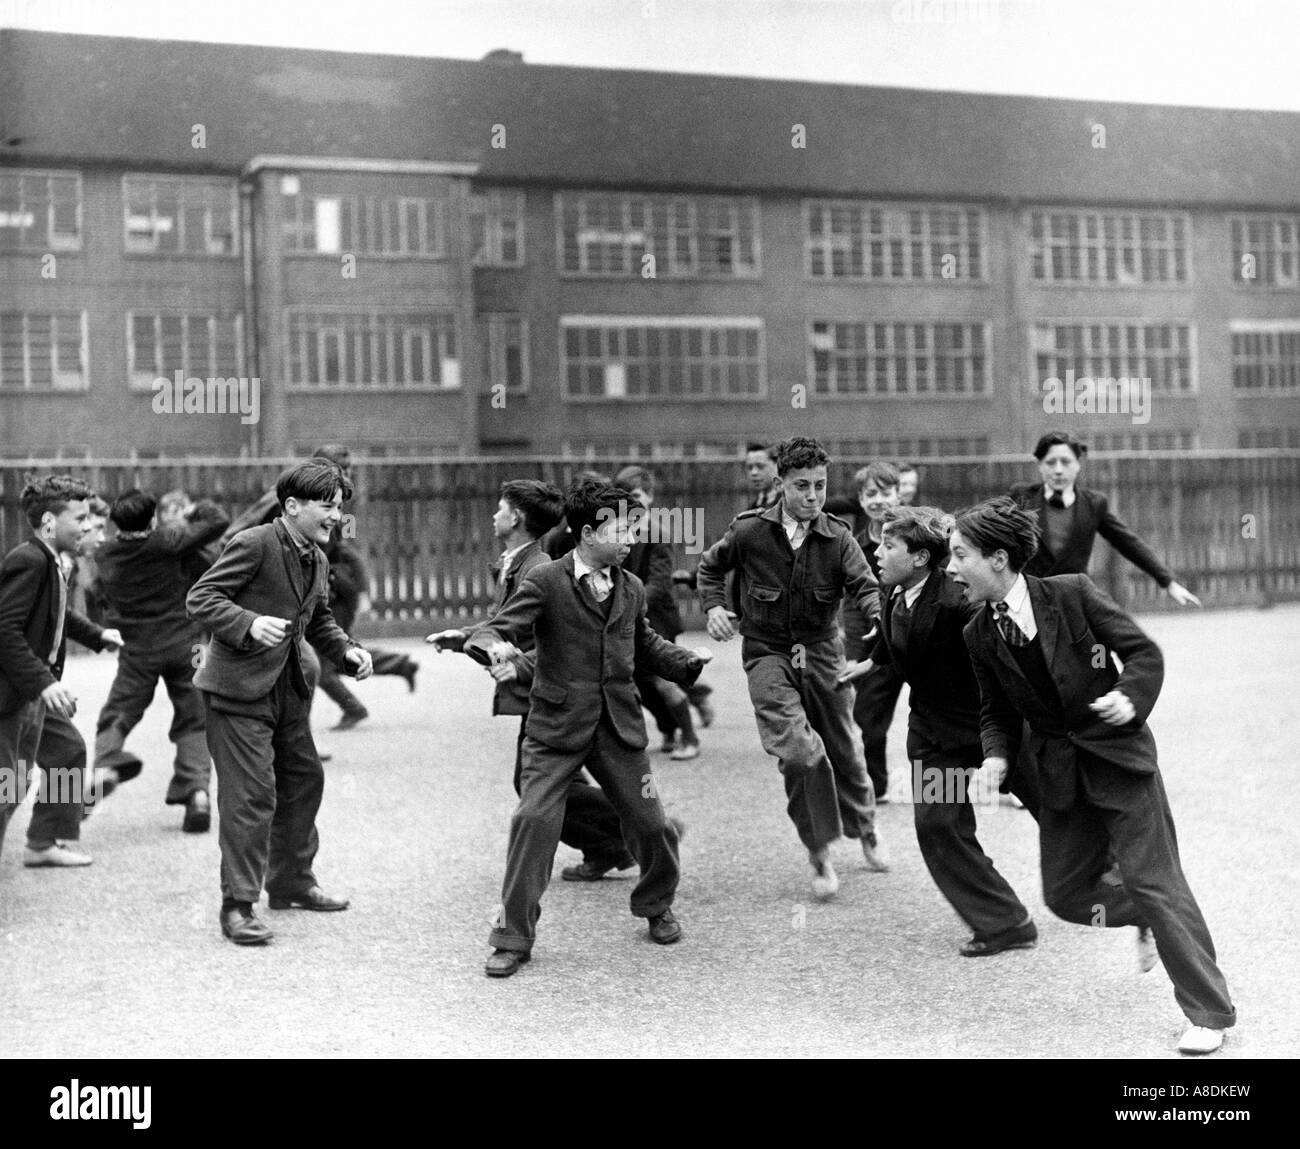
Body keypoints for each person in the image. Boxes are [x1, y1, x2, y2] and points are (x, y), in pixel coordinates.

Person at [948, 496, 1235, 1055]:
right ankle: (1150, 913)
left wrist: (1129, 699)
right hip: (1057, 773)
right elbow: (996, 713)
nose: (952, 568)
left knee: (1156, 881)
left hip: (1119, 761)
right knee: (1067, 895)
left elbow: (1143, 654)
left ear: (999, 559)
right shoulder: (977, 633)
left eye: (960, 556)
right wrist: (995, 757)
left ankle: (1209, 1013)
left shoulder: (1071, 593)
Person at [464, 478, 711, 978]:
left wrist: (687, 661)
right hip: (554, 727)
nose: (631, 538)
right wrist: (490, 648)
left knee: (652, 824)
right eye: (624, 529)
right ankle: (512, 938)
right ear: (589, 532)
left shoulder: (632, 587)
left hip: (617, 726)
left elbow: (644, 644)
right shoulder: (546, 581)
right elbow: (498, 628)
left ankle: (656, 905)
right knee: (532, 822)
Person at [186, 459, 373, 946]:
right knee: (251, 796)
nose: (336, 516)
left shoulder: (317, 556)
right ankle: (238, 906)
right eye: (326, 506)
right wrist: (247, 622)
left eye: (338, 507)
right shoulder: (253, 543)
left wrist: (347, 652)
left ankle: (290, 882)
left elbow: (319, 620)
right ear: (292, 506)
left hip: (286, 691)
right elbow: (202, 598)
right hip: (236, 692)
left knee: (303, 781)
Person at [837, 506, 1036, 956]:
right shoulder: (895, 589)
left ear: (921, 558)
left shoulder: (959, 601)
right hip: (932, 732)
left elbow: (1006, 652)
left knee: (1059, 808)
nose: (877, 551)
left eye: (889, 545)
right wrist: (871, 663)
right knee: (938, 825)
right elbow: (897, 639)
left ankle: (1118, 886)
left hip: (992, 727)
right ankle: (1004, 922)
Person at [696, 436, 888, 901]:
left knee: (843, 748)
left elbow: (865, 585)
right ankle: (819, 849)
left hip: (822, 651)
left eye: (820, 486)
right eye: (802, 486)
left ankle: (864, 828)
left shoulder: (838, 536)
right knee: (800, 754)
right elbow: (708, 568)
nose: (812, 496)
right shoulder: (748, 532)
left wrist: (880, 617)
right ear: (781, 484)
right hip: (768, 653)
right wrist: (715, 608)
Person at [427, 478, 639, 883]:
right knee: (552, 778)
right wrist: (465, 638)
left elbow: (569, 639)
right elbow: (507, 622)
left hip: (552, 689)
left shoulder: (538, 568)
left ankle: (638, 825)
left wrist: (513, 660)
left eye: (500, 508)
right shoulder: (517, 563)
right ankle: (610, 845)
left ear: (516, 518)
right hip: (544, 688)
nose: (494, 515)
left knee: (537, 783)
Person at [88, 489, 231, 831]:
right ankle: (197, 793)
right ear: (152, 519)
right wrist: (194, 507)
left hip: (137, 648)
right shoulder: (168, 540)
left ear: (115, 522)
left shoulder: (105, 553)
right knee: (194, 717)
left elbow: (96, 594)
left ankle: (106, 764)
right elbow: (218, 521)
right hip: (186, 644)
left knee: (118, 711)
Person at [0, 476, 123, 869]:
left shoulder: (54, 562)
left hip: (33, 690)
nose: (89, 527)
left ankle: (42, 842)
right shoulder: (29, 559)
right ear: (50, 522)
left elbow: (58, 615)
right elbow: (4, 629)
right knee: (9, 784)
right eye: (81, 518)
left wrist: (98, 634)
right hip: (16, 690)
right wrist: (45, 683)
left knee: (67, 752)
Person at [1012, 431, 1201, 606]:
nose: (1058, 470)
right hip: (1030, 601)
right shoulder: (1021, 497)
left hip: (1074, 601)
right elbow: (990, 532)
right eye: (1051, 462)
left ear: (1078, 464)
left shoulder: (1093, 504)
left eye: (1066, 462)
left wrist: (1168, 582)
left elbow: (1128, 543)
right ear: (1040, 465)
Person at [308, 444, 418, 731]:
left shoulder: (337, 511)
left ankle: (354, 708)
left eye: (346, 472)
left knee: (323, 663)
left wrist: (361, 590)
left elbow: (348, 551)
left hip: (337, 593)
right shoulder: (328, 506)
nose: (345, 479)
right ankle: (400, 664)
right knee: (336, 653)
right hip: (337, 590)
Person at [616, 466, 705, 760]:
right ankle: (671, 725)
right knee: (639, 680)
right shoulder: (619, 532)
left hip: (657, 615)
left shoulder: (657, 532)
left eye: (638, 495)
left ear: (650, 496)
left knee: (661, 680)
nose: (632, 501)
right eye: (626, 496)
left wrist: (629, 604)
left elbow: (659, 582)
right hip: (634, 612)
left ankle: (690, 737)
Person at [840, 461, 905, 801]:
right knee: (867, 713)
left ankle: (1004, 775)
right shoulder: (854, 546)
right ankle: (876, 785)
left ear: (899, 494)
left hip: (916, 639)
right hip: (877, 645)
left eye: (886, 492)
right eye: (870, 494)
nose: (879, 501)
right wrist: (853, 654)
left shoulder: (915, 535)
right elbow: (852, 605)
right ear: (861, 500)